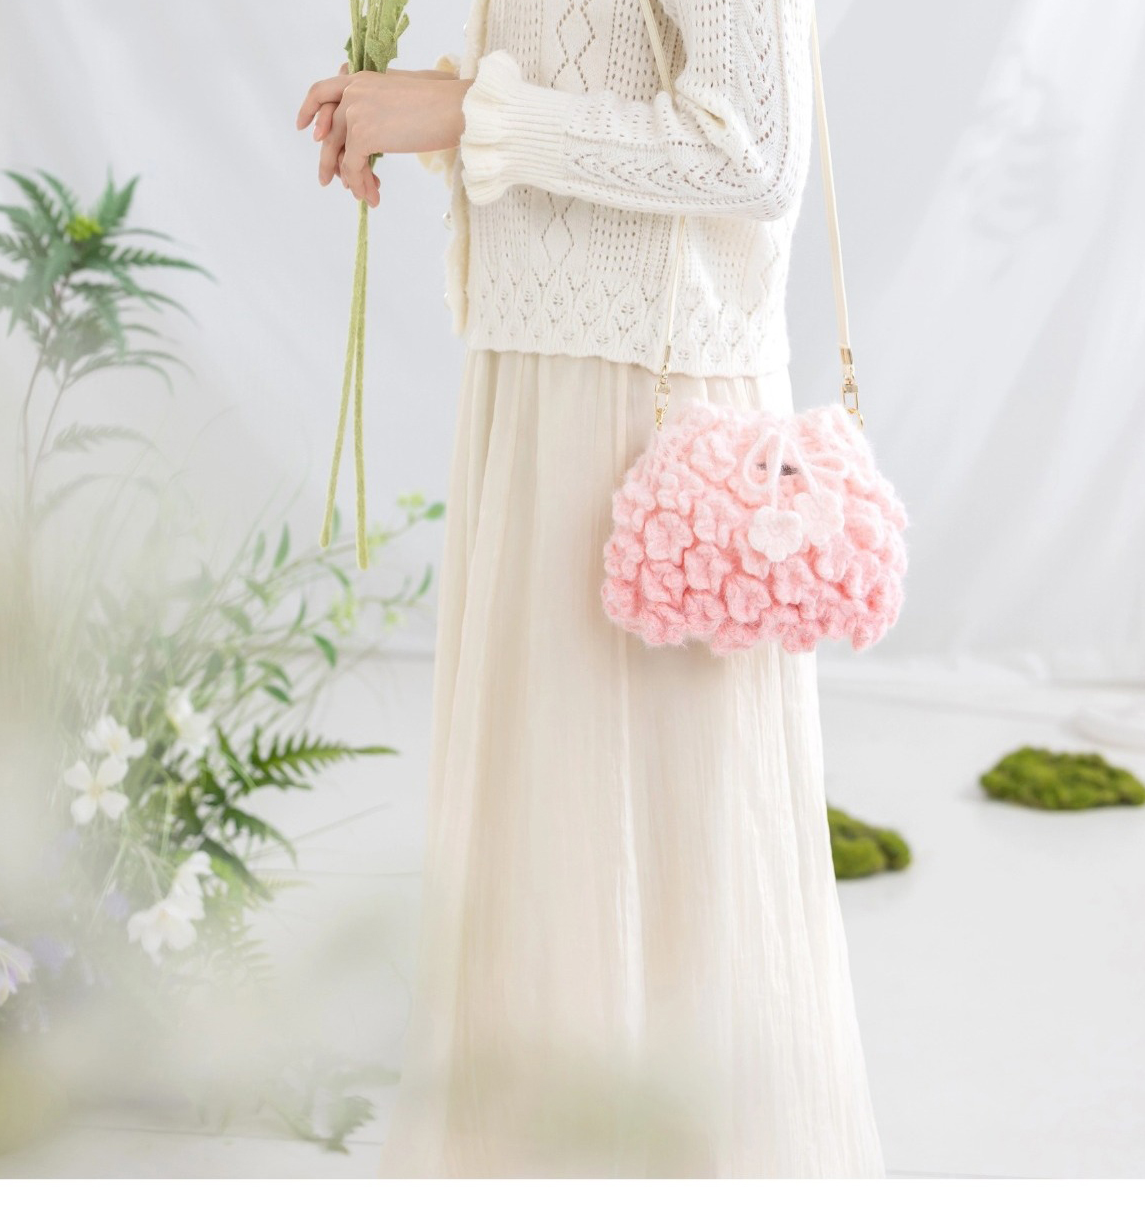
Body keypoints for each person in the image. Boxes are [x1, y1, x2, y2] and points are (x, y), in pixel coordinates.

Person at [297, 0, 884, 1179]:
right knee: (551, 846)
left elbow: (754, 150)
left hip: (645, 418)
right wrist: (429, 107)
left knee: (655, 863)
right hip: (550, 388)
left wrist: (468, 111)